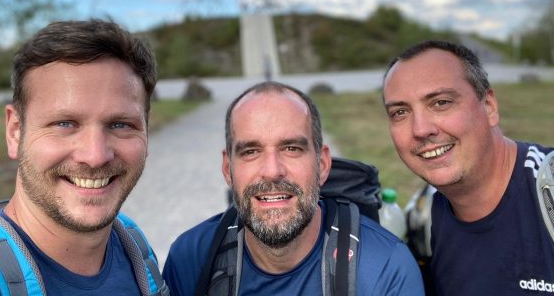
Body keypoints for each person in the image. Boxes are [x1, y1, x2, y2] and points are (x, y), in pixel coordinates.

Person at [0, 20, 168, 295]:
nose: (95, 156)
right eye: (65, 123)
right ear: (15, 132)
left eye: (120, 124)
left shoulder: (133, 244)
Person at [163, 81, 424, 295]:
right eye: (251, 151)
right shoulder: (191, 259)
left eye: (291, 148)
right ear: (227, 168)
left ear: (322, 165)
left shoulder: (385, 267)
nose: (272, 170)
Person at [382, 40, 554, 295]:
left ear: (489, 106)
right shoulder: (423, 221)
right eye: (400, 112)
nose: (420, 129)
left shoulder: (547, 191)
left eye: (440, 102)